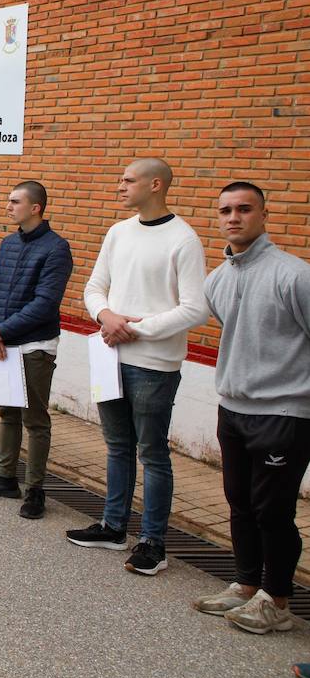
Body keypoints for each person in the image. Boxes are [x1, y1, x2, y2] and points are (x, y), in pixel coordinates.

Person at [71, 158, 210, 575]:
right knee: (117, 446)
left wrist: (134, 329)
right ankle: (114, 527)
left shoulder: (183, 239)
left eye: (128, 180)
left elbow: (196, 308)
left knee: (152, 453)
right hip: (110, 355)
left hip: (153, 364)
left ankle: (153, 542)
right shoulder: (118, 232)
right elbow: (94, 287)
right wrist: (106, 317)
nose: (120, 186)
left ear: (155, 184)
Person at [194, 182, 310, 633]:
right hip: (233, 408)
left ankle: (276, 601)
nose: (234, 217)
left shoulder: (294, 275)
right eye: (226, 210)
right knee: (239, 503)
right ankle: (246, 586)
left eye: (244, 209)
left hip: (284, 413)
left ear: (263, 215)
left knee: (272, 512)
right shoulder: (218, 279)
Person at [0, 181, 73, 518]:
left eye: (15, 201)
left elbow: (45, 304)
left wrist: (2, 330)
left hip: (35, 345)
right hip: (2, 342)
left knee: (35, 419)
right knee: (7, 413)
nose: (8, 206)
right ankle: (5, 478)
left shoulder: (57, 248)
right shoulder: (9, 243)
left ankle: (35, 490)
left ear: (35, 208)